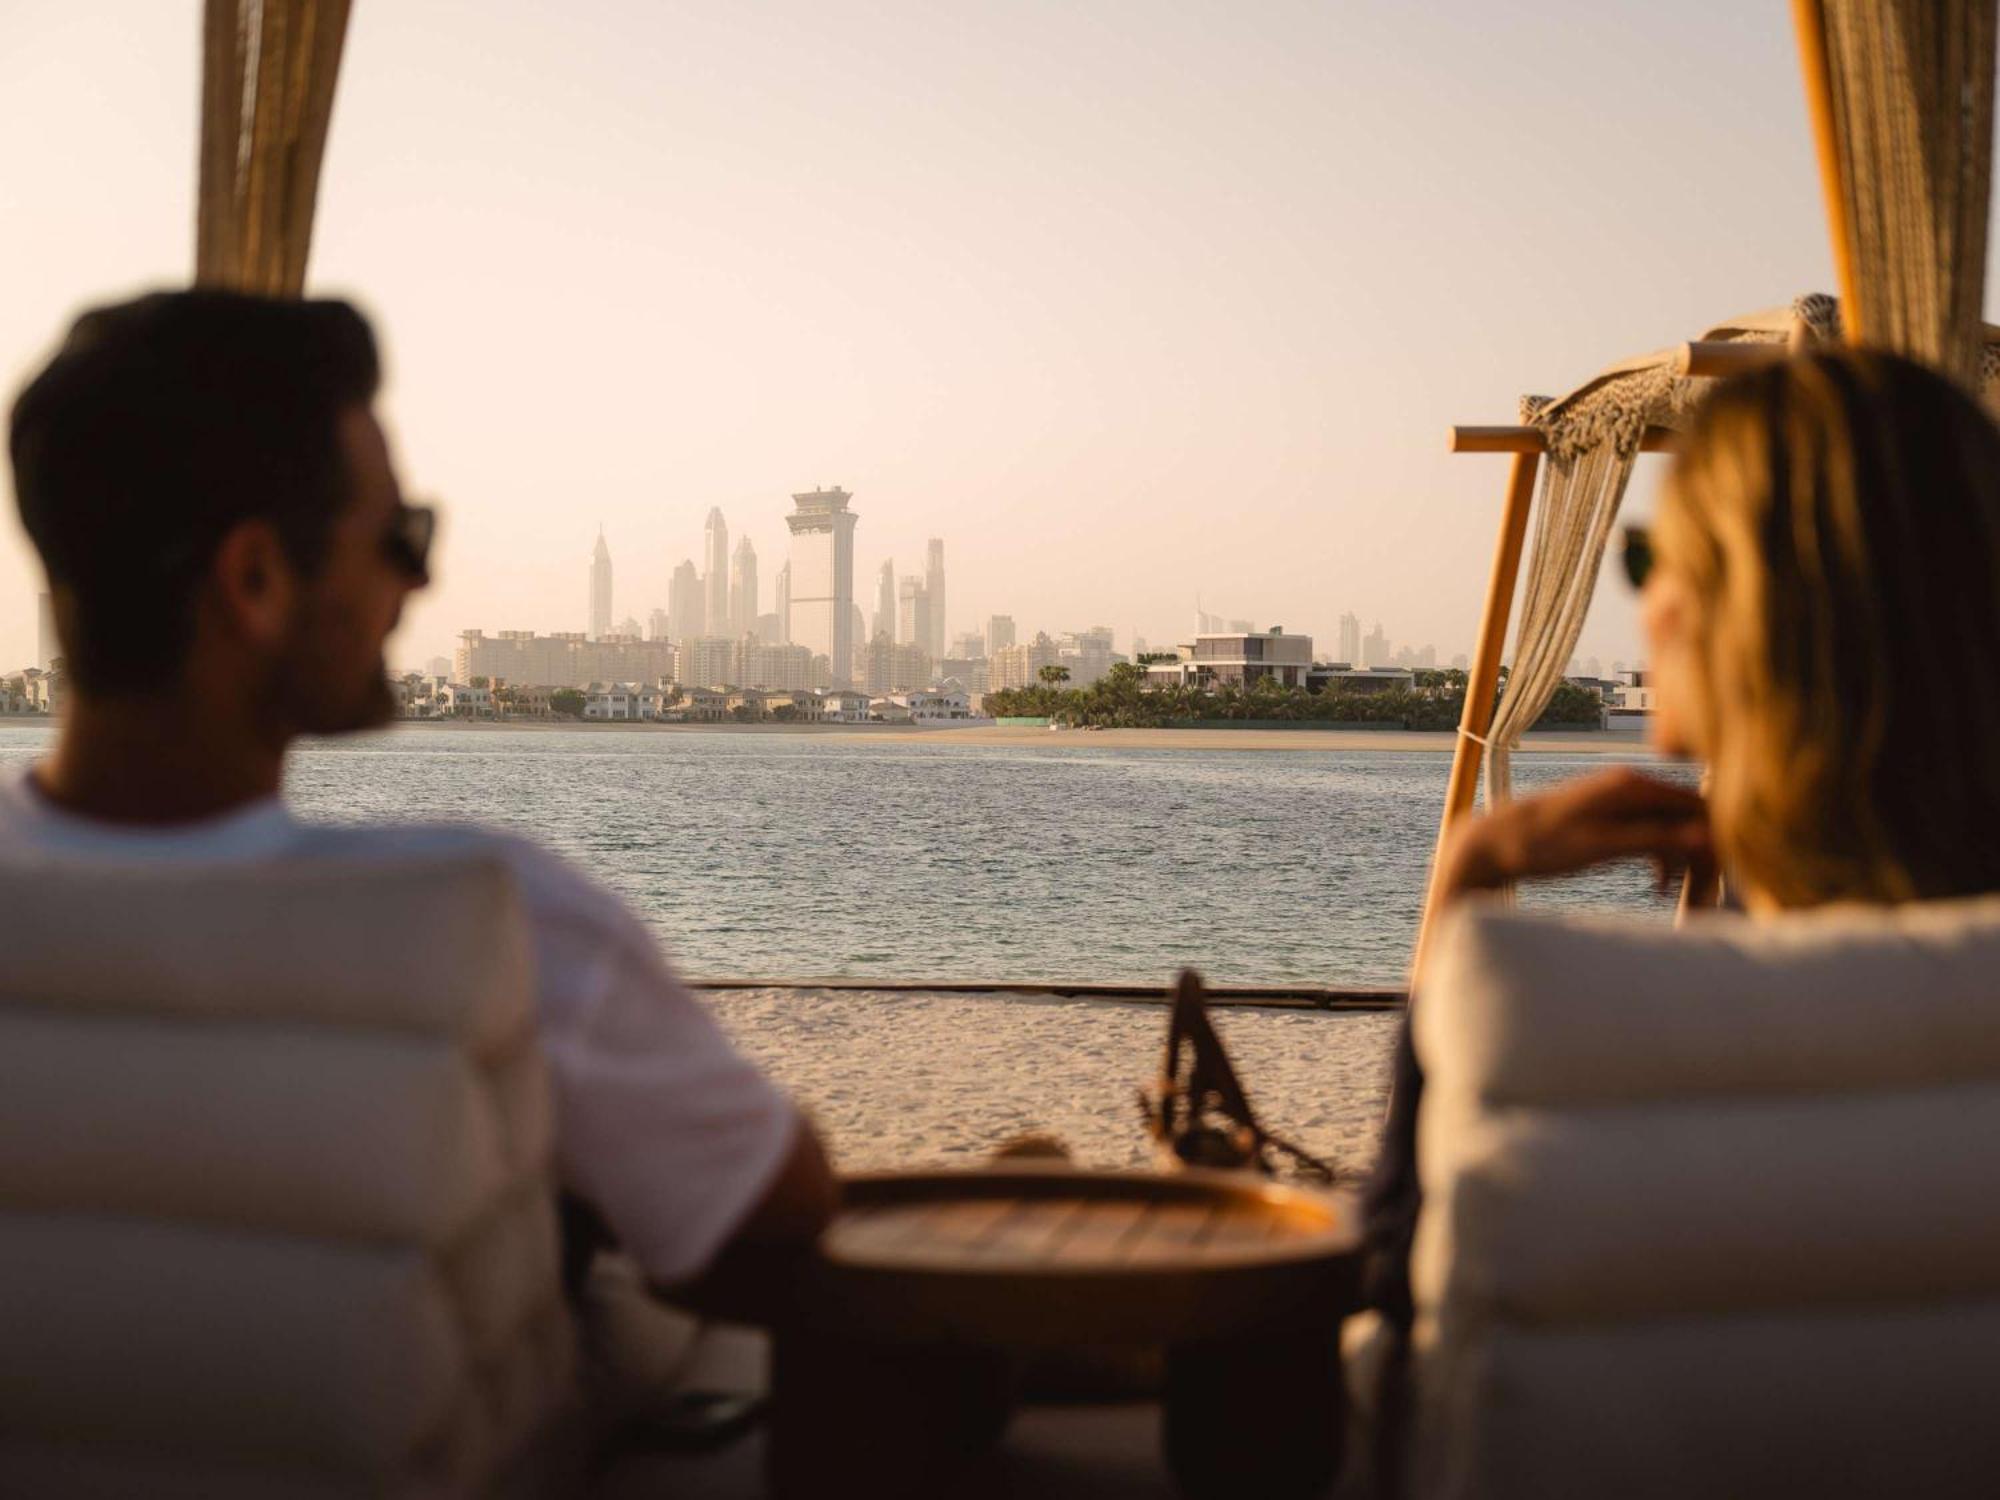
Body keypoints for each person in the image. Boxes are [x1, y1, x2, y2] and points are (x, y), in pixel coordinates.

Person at [3, 290, 837, 1318]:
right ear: (256, 580)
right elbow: (771, 1217)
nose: (420, 584)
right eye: (401, 536)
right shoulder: (498, 920)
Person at [1364, 345, 2000, 1364]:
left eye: (1647, 555)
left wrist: (1469, 880)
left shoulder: (1547, 1020)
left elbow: (1394, 1314)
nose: (1643, 599)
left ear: (1724, 607)